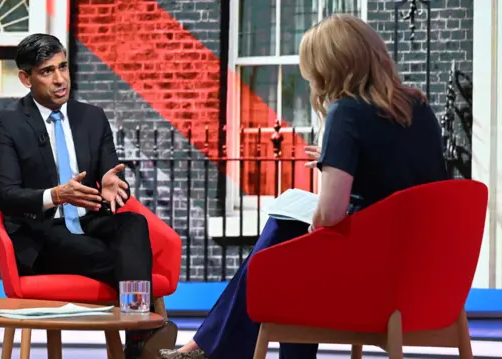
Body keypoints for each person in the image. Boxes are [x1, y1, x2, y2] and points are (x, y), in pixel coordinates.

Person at [159, 14, 448, 359]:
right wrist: (339, 161)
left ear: (332, 67)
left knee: (285, 236)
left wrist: (320, 210)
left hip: (369, 282)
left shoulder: (347, 112)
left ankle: (208, 347)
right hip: (419, 275)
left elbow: (330, 213)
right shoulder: (418, 108)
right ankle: (205, 346)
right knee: (289, 248)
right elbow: (403, 187)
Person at [0, 33, 177, 359]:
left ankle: (138, 334)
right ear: (25, 78)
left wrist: (111, 183)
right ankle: (143, 331)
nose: (60, 80)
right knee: (116, 257)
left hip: (91, 221)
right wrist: (57, 195)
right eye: (47, 71)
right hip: (43, 233)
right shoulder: (7, 123)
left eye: (63, 67)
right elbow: (6, 196)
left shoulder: (91, 117)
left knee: (133, 223)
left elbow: (111, 179)